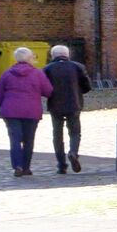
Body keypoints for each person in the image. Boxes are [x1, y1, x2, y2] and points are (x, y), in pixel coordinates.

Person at [0, 44, 50, 179]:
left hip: (11, 110)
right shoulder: (37, 73)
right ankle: (26, 167)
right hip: (31, 111)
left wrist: (3, 106)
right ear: (30, 58)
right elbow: (48, 91)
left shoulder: (7, 73)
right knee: (29, 140)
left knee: (15, 139)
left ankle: (17, 165)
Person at [43, 36, 88, 175]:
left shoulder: (47, 69)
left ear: (52, 56)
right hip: (74, 103)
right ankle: (73, 152)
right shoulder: (78, 67)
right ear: (67, 55)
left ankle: (61, 165)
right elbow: (86, 86)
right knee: (75, 132)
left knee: (57, 134)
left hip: (55, 105)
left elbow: (44, 88)